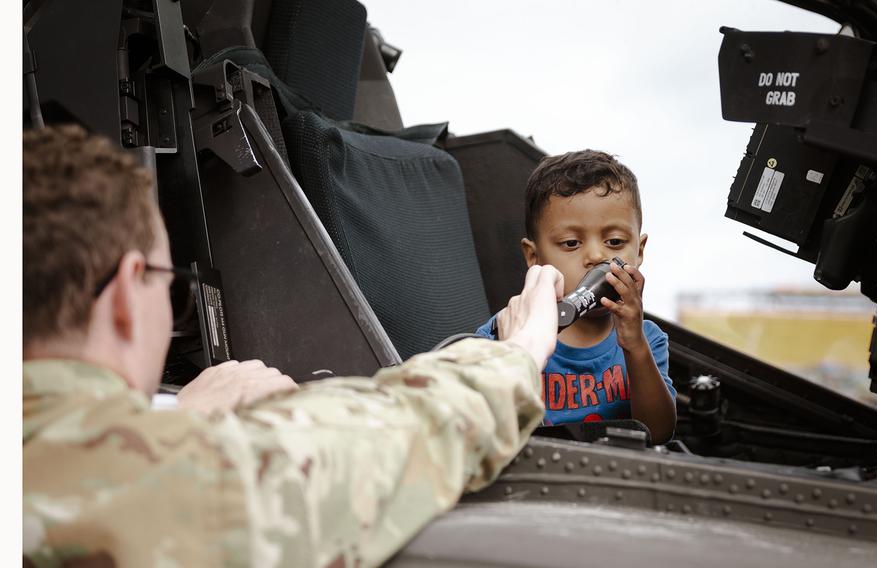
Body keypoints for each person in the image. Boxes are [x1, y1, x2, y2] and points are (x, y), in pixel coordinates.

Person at [23, 124, 564, 567]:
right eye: (170, 286)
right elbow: (406, 428)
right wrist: (521, 348)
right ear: (126, 291)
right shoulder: (175, 484)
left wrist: (169, 415)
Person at [476, 150, 677, 442]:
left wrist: (634, 345)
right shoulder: (506, 331)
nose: (596, 256)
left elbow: (658, 433)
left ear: (640, 250)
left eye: (615, 242)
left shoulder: (647, 338)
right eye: (571, 243)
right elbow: (481, 433)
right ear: (533, 256)